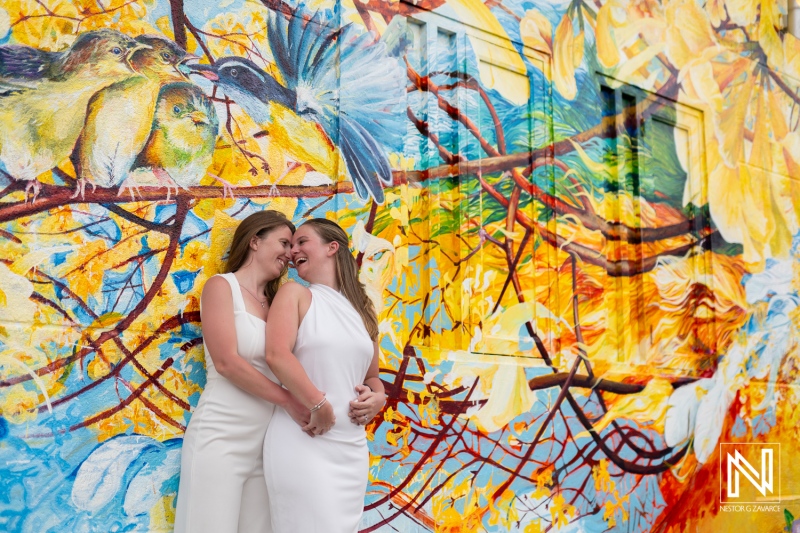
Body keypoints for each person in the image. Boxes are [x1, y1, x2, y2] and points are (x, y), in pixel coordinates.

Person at [174, 210, 310, 533]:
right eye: (284, 242)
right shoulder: (222, 287)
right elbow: (227, 363)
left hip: (265, 449)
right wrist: (290, 401)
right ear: (254, 241)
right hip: (219, 438)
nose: (290, 253)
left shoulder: (280, 303)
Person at [264, 218, 387, 532]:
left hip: (351, 449)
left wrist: (379, 396)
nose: (293, 251)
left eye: (302, 242)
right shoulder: (295, 295)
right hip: (304, 439)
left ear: (332, 247)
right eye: (290, 246)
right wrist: (319, 404)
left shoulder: (363, 309)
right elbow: (277, 355)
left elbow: (371, 375)